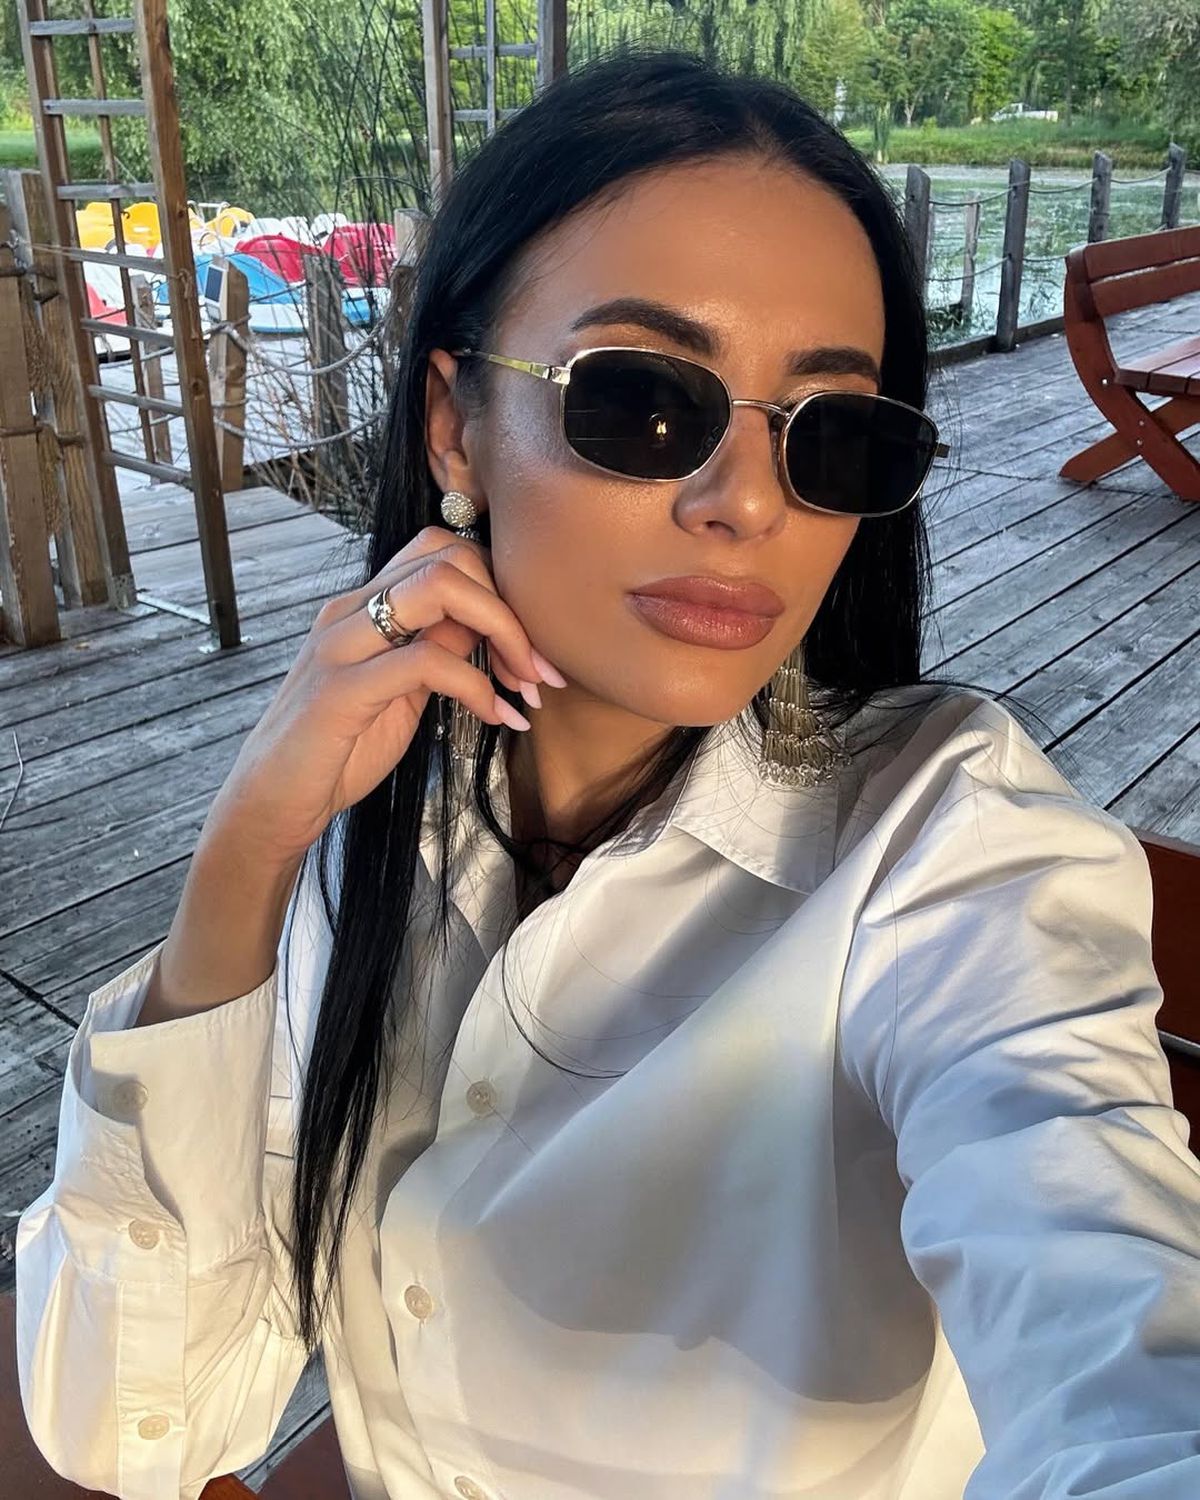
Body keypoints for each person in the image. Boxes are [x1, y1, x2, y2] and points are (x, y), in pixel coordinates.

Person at [15, 44, 1200, 1500]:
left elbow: (1115, 1311)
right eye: (642, 400)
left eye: (831, 434)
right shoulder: (366, 831)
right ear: (454, 423)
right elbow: (132, 1428)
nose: (747, 502)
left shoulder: (952, 857)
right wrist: (247, 847)